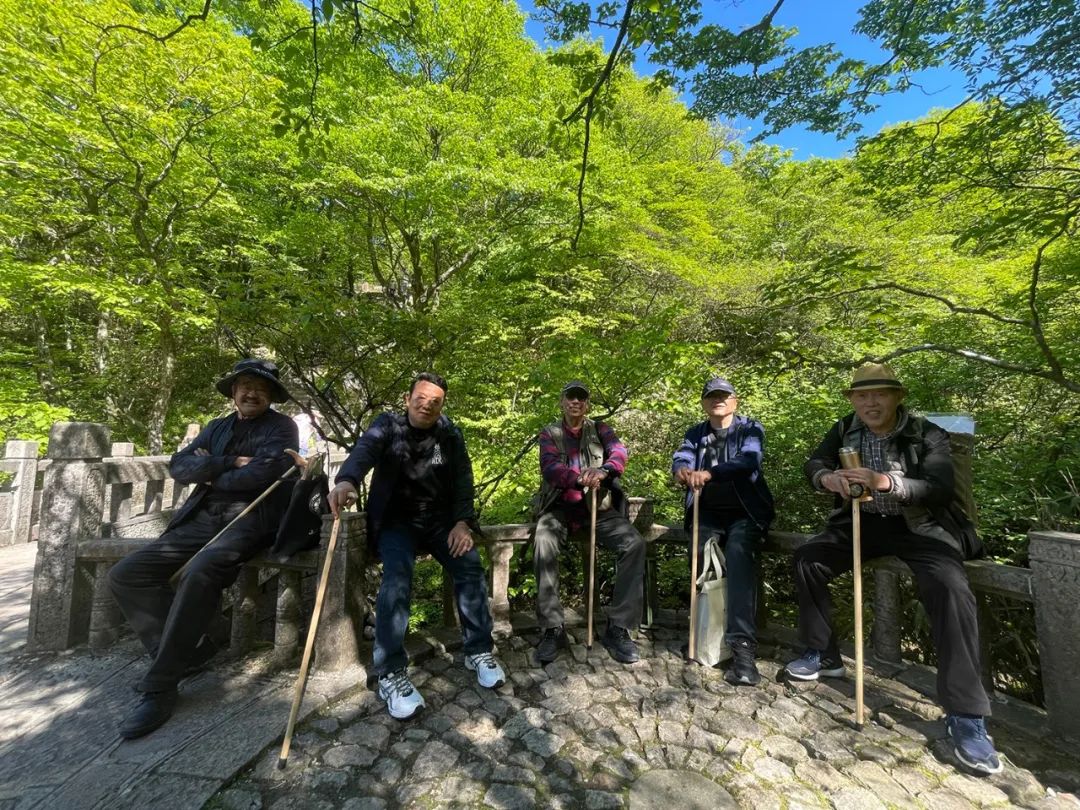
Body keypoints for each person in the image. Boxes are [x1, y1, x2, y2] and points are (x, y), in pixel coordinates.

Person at [785, 363, 1002, 775]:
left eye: (879, 394)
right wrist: (827, 478)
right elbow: (813, 462)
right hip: (861, 522)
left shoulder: (926, 433)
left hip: (919, 526)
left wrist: (884, 482)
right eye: (862, 396)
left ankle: (967, 715)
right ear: (852, 400)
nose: (870, 403)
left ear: (897, 397)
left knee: (950, 588)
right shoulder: (845, 428)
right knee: (808, 558)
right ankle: (821, 653)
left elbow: (938, 487)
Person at [109, 358, 298, 739]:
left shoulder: (282, 427)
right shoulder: (217, 427)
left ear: (271, 396)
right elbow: (179, 467)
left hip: (250, 518)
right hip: (199, 518)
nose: (251, 393)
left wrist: (210, 470)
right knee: (126, 575)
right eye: (245, 385)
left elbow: (264, 475)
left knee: (202, 569)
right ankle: (190, 651)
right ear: (233, 391)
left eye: (261, 388)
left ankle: (161, 684)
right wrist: (228, 462)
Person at [327, 372, 505, 720]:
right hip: (396, 521)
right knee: (397, 578)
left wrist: (462, 522)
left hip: (440, 522)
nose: (427, 405)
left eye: (435, 401)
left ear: (442, 406)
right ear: (408, 399)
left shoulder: (449, 434)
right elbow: (363, 452)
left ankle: (478, 649)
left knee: (468, 565)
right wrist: (346, 481)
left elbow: (463, 478)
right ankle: (390, 672)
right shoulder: (387, 427)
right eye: (421, 398)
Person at [532, 381, 645, 665]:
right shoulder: (550, 433)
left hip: (599, 509)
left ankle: (619, 627)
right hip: (559, 509)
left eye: (581, 398)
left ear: (587, 404)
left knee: (634, 544)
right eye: (571, 397)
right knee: (543, 541)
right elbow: (550, 468)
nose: (576, 402)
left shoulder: (601, 430)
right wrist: (579, 477)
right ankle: (552, 628)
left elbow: (619, 453)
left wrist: (604, 470)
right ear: (562, 402)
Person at [671, 376, 774, 685]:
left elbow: (749, 461)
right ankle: (701, 636)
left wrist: (710, 473)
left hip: (746, 513)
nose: (718, 400)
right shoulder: (696, 433)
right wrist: (682, 470)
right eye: (712, 396)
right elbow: (682, 455)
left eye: (724, 395)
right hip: (708, 513)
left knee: (739, 557)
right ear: (704, 403)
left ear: (734, 400)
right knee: (699, 558)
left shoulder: (750, 429)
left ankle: (743, 649)